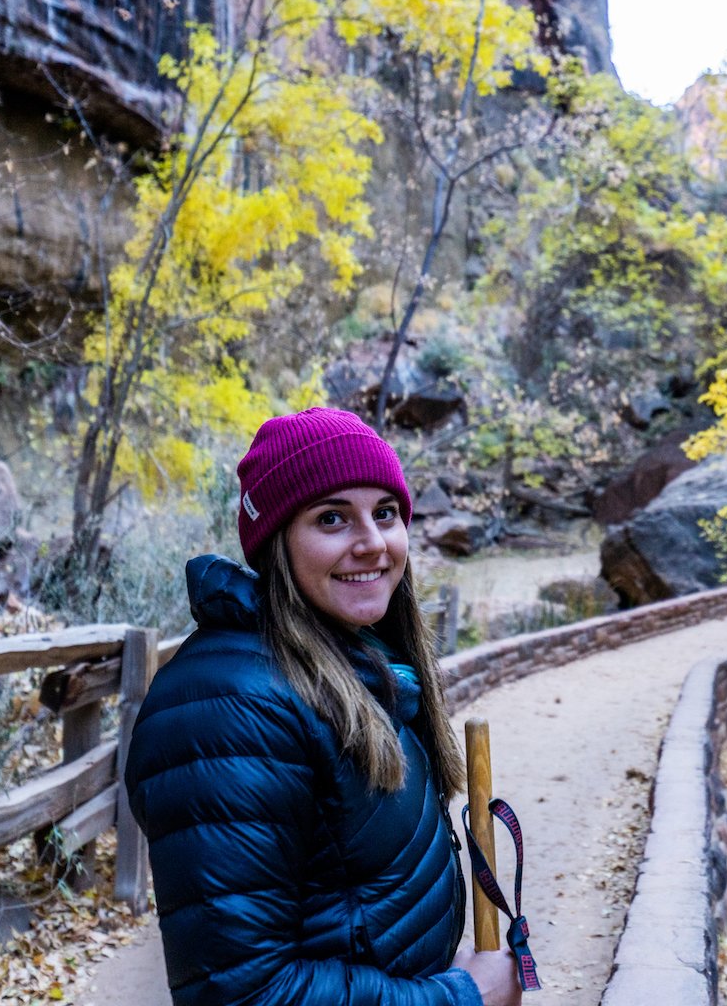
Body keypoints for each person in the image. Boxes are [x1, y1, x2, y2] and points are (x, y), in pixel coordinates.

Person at [124, 408, 522, 1006]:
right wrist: (462, 998)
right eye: (332, 517)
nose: (372, 543)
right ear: (277, 540)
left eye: (385, 513)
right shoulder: (231, 709)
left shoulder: (356, 665)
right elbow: (244, 994)